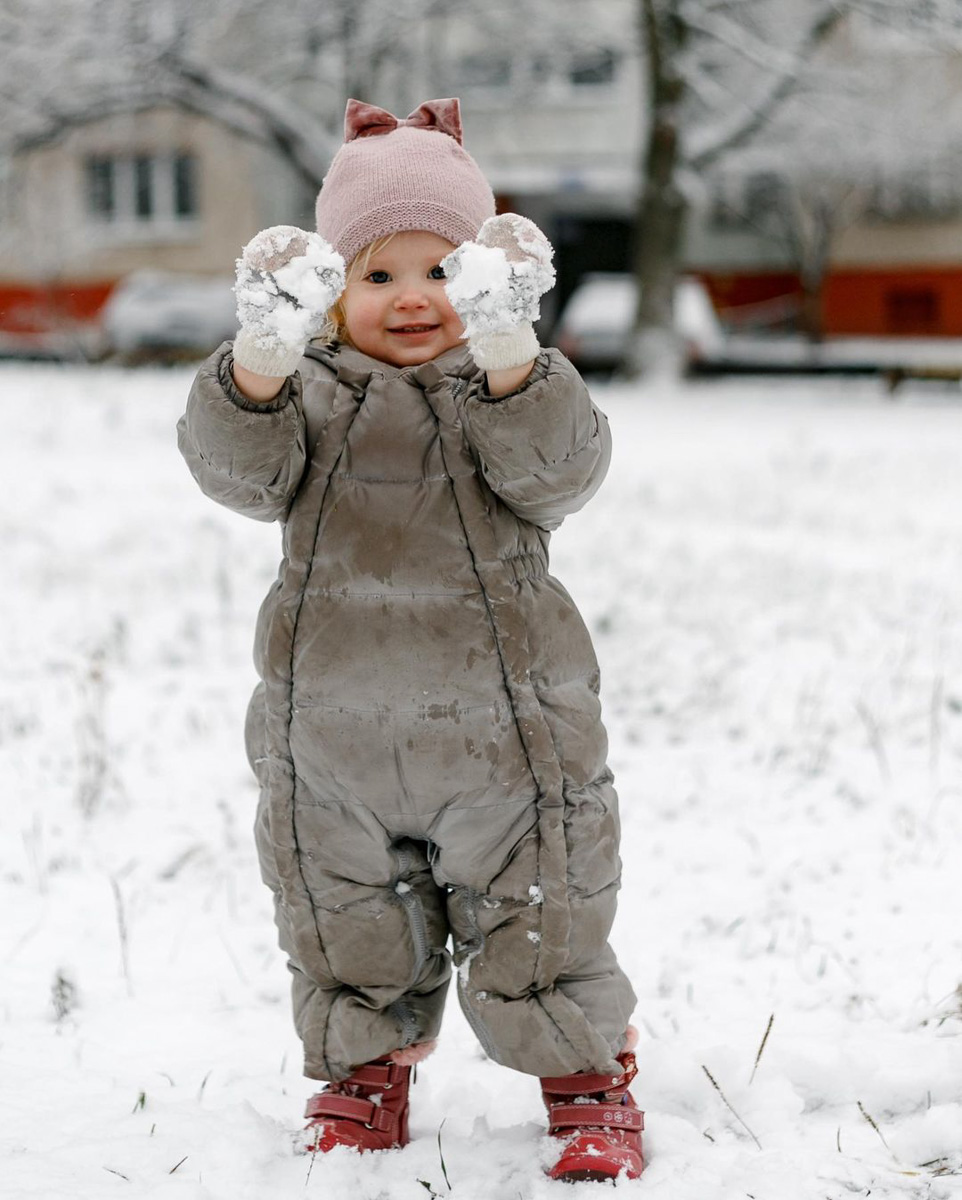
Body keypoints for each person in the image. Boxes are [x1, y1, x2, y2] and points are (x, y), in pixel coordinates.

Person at [177, 97, 643, 1184]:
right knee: (341, 910)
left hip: (505, 734)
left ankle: (584, 1077)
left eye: (441, 270)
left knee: (542, 905)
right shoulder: (305, 397)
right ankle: (363, 1069)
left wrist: (512, 353)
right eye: (376, 274)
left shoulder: (500, 390)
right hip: (333, 736)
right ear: (330, 292)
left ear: (482, 280)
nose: (413, 297)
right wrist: (258, 361)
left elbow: (560, 471)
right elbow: (238, 476)